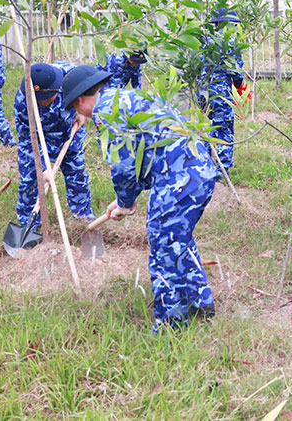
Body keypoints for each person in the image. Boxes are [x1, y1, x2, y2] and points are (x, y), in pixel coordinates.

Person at [62, 64, 218, 332]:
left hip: (179, 178)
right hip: (199, 171)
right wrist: (124, 201)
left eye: (75, 109)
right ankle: (201, 303)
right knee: (178, 239)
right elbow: (145, 154)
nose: (80, 114)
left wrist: (125, 200)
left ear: (79, 100)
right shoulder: (127, 97)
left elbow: (123, 165)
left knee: (163, 245)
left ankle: (171, 323)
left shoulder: (105, 112)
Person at [13, 63, 94, 227]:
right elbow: (28, 139)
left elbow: (91, 88)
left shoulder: (70, 76)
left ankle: (83, 217)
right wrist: (42, 169)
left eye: (46, 100)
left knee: (77, 174)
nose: (43, 103)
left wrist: (82, 111)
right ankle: (29, 223)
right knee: (31, 177)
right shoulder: (23, 102)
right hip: (41, 135)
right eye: (39, 101)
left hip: (69, 130)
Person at [198, 8, 243, 177]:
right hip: (220, 91)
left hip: (202, 91)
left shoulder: (204, 40)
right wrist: (238, 84)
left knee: (211, 124)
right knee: (224, 128)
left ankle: (203, 162)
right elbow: (236, 70)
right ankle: (221, 169)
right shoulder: (230, 41)